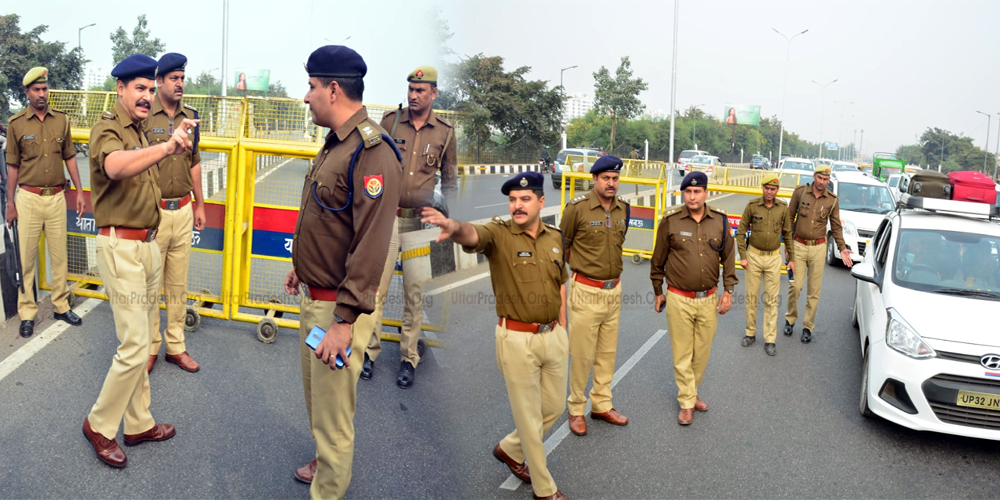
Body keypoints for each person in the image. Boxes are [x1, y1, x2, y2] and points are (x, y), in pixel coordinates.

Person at [282, 45, 401, 497]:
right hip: (318, 297)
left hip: (337, 310)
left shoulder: (371, 151)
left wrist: (344, 322)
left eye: (311, 87)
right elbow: (328, 220)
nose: (306, 96)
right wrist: (302, 269)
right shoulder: (337, 143)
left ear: (333, 89)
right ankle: (323, 461)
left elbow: (371, 244)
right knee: (320, 404)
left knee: (334, 419)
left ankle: (328, 489)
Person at [421, 171, 570, 500]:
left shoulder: (555, 238)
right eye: (513, 200)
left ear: (540, 202)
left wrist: (564, 328)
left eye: (525, 199)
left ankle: (508, 448)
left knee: (555, 407)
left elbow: (562, 281)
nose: (517, 205)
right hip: (516, 339)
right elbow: (472, 234)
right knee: (529, 419)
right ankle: (545, 490)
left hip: (553, 336)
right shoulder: (499, 235)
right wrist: (454, 226)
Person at [82, 54, 198, 468]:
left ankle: (138, 423)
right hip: (121, 248)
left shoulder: (141, 130)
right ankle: (99, 425)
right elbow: (114, 167)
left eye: (151, 89)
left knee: (143, 339)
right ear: (120, 89)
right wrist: (167, 146)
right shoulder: (108, 129)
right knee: (134, 346)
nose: (148, 96)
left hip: (148, 244)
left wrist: (169, 145)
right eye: (140, 89)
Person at [362, 65, 456, 388]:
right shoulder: (390, 121)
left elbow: (452, 179)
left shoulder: (445, 132)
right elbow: (371, 159)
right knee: (376, 287)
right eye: (411, 90)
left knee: (414, 291)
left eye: (420, 90)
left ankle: (408, 358)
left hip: (420, 223)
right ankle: (368, 352)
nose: (413, 95)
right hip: (387, 217)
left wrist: (446, 218)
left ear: (433, 93)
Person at [650, 171, 737, 426]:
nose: (692, 196)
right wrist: (658, 291)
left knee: (702, 352)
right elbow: (658, 260)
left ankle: (691, 390)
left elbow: (729, 258)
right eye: (688, 191)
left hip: (708, 298)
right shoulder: (671, 221)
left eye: (697, 192)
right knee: (682, 353)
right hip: (678, 297)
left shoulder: (720, 222)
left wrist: (728, 291)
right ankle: (686, 401)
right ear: (683, 193)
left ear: (706, 193)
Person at [5, 66, 85, 337]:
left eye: (45, 89)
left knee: (59, 256)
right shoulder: (17, 124)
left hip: (56, 198)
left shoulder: (61, 120)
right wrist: (10, 203)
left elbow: (70, 156)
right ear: (27, 92)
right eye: (36, 90)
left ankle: (61, 305)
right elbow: (12, 166)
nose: (42, 94)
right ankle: (27, 313)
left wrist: (81, 191)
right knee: (26, 259)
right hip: (27, 198)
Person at [144, 53, 206, 374]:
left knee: (178, 285)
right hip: (153, 214)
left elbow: (194, 162)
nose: (180, 83)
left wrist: (200, 204)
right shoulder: (144, 117)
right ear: (159, 82)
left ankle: (175, 346)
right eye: (174, 78)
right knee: (151, 284)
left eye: (182, 78)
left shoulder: (192, 117)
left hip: (182, 210)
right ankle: (152, 346)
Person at [560, 155, 630, 436]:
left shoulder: (624, 208)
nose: (611, 183)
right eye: (606, 178)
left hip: (614, 290)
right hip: (586, 290)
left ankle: (601, 404)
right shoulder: (577, 209)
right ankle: (576, 408)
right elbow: (561, 249)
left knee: (607, 354)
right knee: (582, 355)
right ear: (595, 179)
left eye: (615, 179)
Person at [783, 163, 853, 343]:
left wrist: (842, 248)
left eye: (826, 179)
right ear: (814, 176)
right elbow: (789, 218)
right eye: (820, 178)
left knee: (814, 291)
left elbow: (836, 226)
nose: (822, 182)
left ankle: (808, 327)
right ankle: (790, 319)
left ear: (829, 180)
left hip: (818, 248)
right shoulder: (800, 192)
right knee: (795, 286)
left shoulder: (832, 200)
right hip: (798, 245)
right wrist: (788, 246)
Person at [736, 173, 793, 356]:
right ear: (763, 189)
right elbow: (741, 231)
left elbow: (788, 233)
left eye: (773, 189)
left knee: (771, 300)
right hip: (753, 256)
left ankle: (770, 339)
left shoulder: (783, 208)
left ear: (777, 190)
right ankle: (750, 333)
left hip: (773, 258)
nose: (770, 192)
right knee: (751, 297)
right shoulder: (752, 206)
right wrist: (743, 256)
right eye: (767, 188)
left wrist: (790, 258)